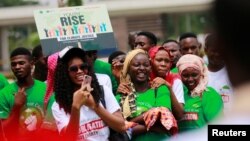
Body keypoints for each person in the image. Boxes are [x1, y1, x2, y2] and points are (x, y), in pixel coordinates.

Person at [51, 46, 126, 141]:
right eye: (73, 69)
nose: (80, 71)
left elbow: (121, 127)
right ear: (65, 72)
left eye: (83, 67)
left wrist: (95, 106)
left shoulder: (103, 91)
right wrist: (75, 107)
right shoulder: (58, 105)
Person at [116, 49, 178, 141]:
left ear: (150, 68)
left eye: (146, 65)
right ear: (128, 69)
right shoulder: (121, 95)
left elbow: (161, 116)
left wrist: (130, 123)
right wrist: (152, 126)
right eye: (137, 65)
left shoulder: (160, 89)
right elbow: (117, 128)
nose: (142, 68)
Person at [0, 47, 47, 141]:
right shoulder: (4, 94)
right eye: (13, 64)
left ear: (32, 63)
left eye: (21, 63)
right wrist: (16, 107)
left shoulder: (46, 89)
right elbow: (3, 130)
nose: (17, 67)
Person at [176, 54, 223, 132]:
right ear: (180, 75)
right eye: (185, 75)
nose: (190, 79)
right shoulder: (178, 95)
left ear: (201, 74)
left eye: (194, 75)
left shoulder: (209, 94)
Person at [148, 46, 184, 120]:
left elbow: (180, 115)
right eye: (159, 60)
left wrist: (168, 87)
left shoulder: (175, 80)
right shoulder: (143, 79)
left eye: (167, 61)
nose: (163, 64)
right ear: (151, 61)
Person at [205, 34, 233, 113]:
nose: (217, 54)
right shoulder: (199, 75)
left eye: (221, 51)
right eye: (214, 51)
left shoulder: (233, 75)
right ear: (205, 50)